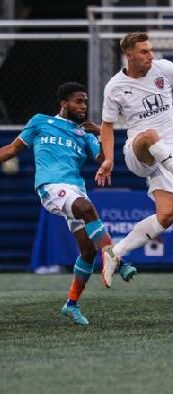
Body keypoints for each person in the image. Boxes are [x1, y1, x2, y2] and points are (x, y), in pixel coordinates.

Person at [0, 82, 136, 326]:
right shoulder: (40, 121)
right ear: (64, 103)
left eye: (85, 101)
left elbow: (104, 159)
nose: (83, 106)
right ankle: (117, 259)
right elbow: (11, 149)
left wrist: (100, 132)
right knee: (85, 208)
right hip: (51, 186)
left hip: (75, 188)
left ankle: (71, 304)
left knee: (88, 250)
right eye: (78, 101)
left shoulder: (84, 133)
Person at [95, 32, 173, 281]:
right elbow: (107, 125)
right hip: (138, 152)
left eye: (151, 50)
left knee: (168, 216)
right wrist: (108, 158)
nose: (151, 55)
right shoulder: (115, 87)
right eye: (144, 51)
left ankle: (115, 253)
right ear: (129, 55)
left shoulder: (165, 69)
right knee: (149, 135)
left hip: (169, 154)